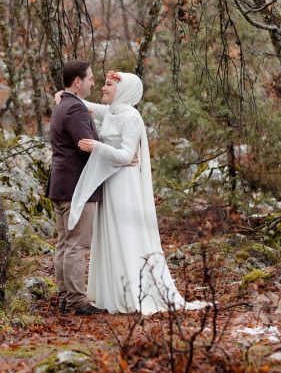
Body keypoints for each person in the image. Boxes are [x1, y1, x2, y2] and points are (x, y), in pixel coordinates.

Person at [63, 71, 210, 315]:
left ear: (123, 91)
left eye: (109, 85)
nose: (103, 88)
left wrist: (97, 147)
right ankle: (111, 291)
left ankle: (133, 291)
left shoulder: (130, 117)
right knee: (109, 232)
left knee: (124, 233)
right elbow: (88, 106)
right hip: (110, 182)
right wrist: (65, 94)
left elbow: (125, 155)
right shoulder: (112, 111)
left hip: (124, 184)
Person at [46, 61, 104, 316]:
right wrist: (117, 158)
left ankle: (65, 297)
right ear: (77, 81)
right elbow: (87, 146)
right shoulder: (75, 110)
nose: (93, 82)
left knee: (64, 243)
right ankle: (76, 301)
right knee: (76, 246)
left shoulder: (62, 106)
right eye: (90, 78)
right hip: (77, 187)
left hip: (61, 185)